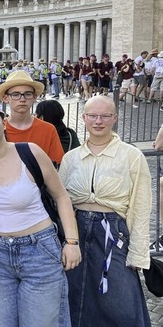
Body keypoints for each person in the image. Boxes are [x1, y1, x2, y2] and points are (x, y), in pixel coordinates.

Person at [0, 97, 81, 327]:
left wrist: (72, 242)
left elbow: (61, 196)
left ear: (3, 121)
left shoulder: (30, 152)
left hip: (39, 250)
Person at [59, 96, 152, 327]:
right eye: (92, 115)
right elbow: (61, 201)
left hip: (114, 233)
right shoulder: (71, 158)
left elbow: (141, 205)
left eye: (105, 116)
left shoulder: (131, 156)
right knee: (77, 295)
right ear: (84, 118)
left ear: (115, 118)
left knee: (120, 301)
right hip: (76, 232)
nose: (98, 121)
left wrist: (138, 253)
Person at [0, 70, 65, 165]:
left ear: (34, 97)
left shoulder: (48, 130)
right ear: (6, 98)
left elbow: (57, 164)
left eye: (27, 94)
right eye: (16, 95)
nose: (22, 99)